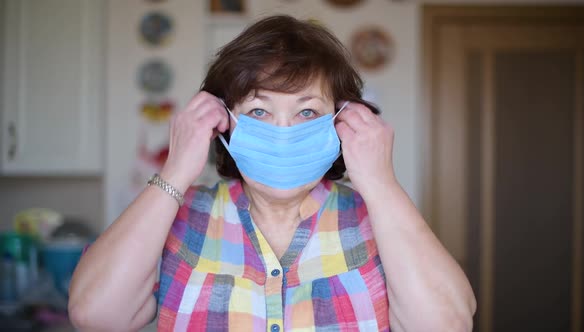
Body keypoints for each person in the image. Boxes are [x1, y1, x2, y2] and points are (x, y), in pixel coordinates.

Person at [68, 15, 476, 332]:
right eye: (259, 111)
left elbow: (447, 324)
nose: (284, 132)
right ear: (223, 122)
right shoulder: (179, 216)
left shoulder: (376, 218)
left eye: (307, 111)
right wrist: (175, 170)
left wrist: (382, 184)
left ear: (341, 122)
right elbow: (95, 314)